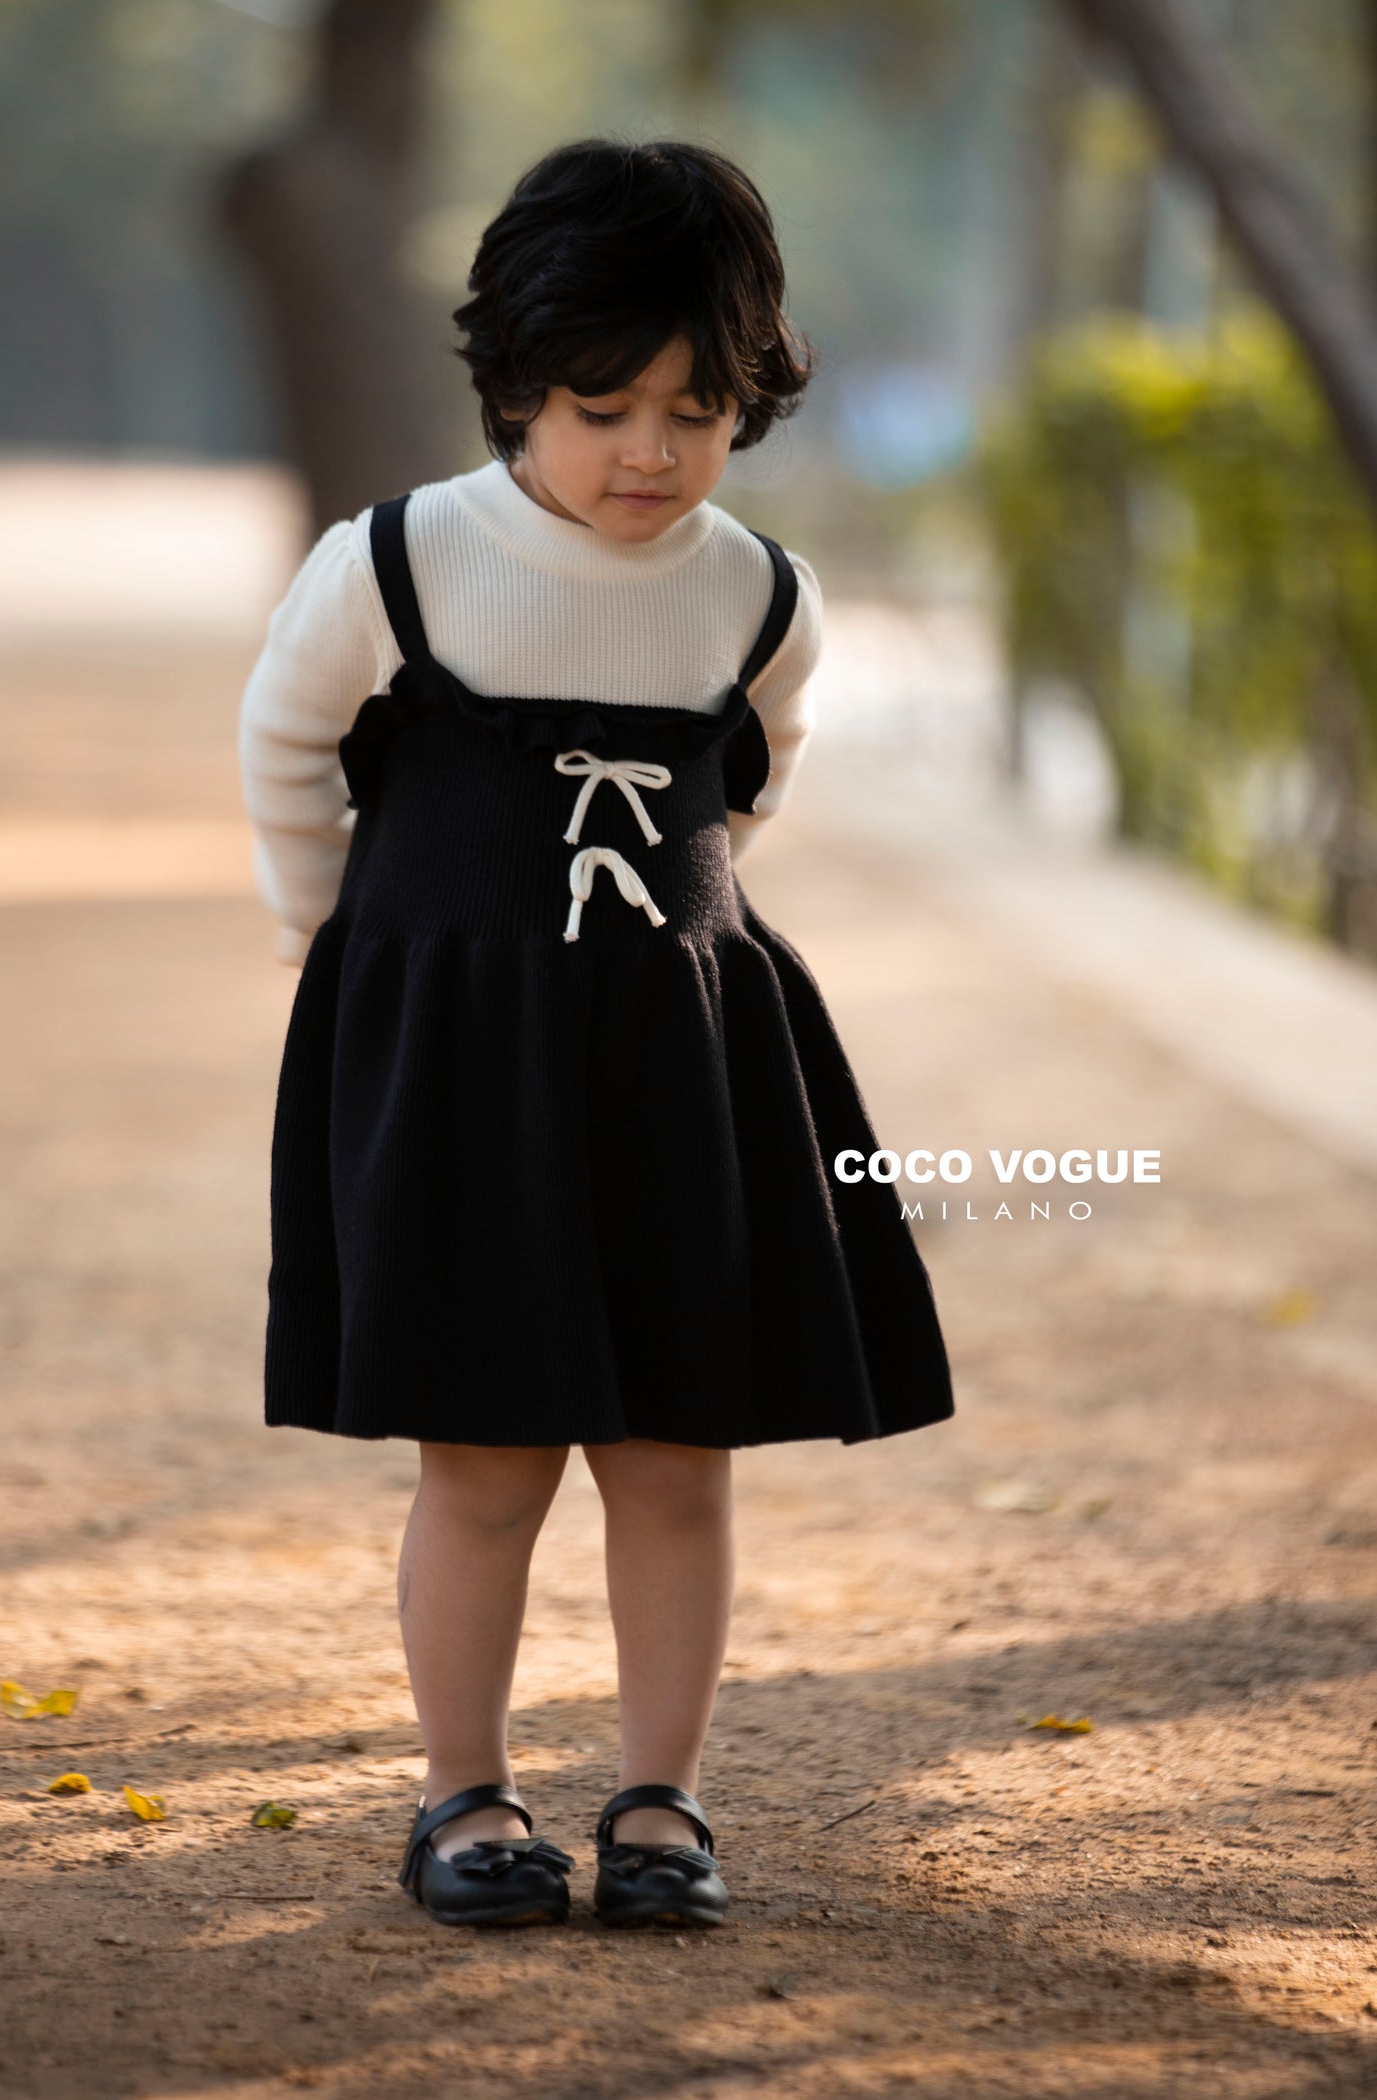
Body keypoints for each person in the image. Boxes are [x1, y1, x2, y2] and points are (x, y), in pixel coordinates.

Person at [238, 136, 954, 1935]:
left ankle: (659, 1800)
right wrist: (343, 952)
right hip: (460, 1066)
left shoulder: (757, 590)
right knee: (485, 1460)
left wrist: (660, 941)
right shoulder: (397, 562)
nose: (650, 452)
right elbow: (286, 746)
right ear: (515, 385)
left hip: (679, 1071)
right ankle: (466, 1793)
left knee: (677, 1456)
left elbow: (754, 775)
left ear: (750, 401)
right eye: (603, 407)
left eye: (697, 413)